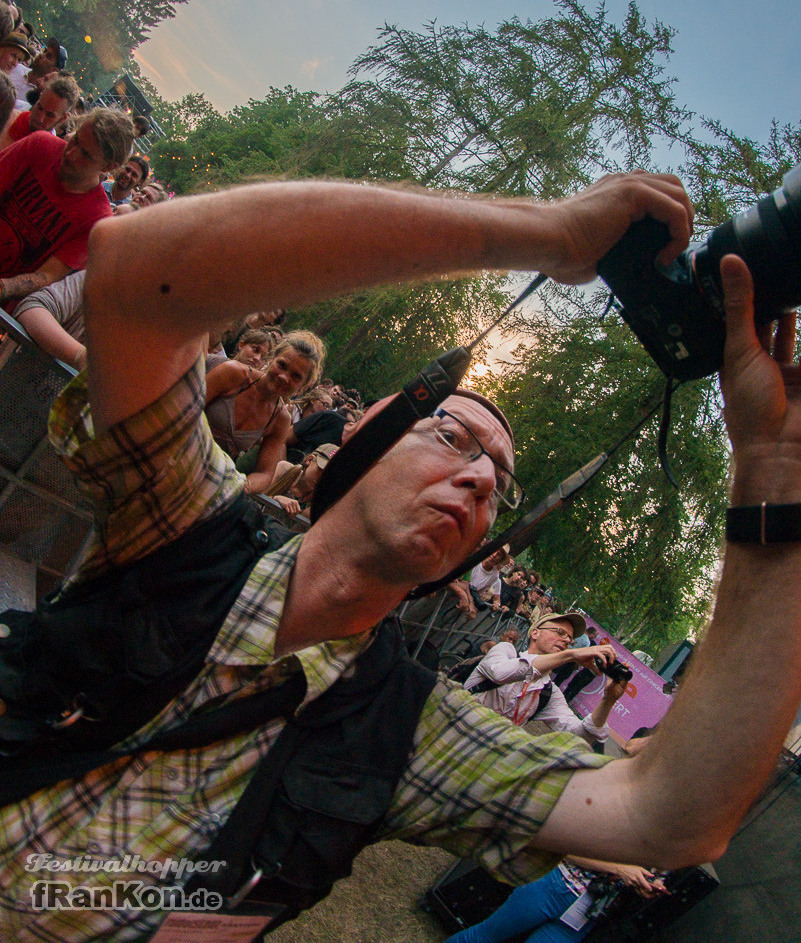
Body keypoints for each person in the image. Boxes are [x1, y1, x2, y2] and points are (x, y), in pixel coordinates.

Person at [2, 171, 801, 943]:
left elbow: (674, 814)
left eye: (500, 481)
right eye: (453, 436)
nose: (483, 476)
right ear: (363, 438)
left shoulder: (411, 735)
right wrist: (549, 234)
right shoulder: (185, 527)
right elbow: (141, 269)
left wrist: (771, 475)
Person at [0, 107, 133, 307]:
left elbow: (47, 275)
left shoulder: (97, 220)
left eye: (86, 155)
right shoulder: (40, 144)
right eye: (76, 139)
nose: (70, 154)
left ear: (108, 167)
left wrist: (3, 288)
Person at [465, 612, 626, 745]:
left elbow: (580, 735)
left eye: (570, 640)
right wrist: (571, 655)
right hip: (454, 731)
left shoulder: (548, 693)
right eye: (560, 633)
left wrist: (608, 700)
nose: (566, 640)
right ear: (535, 632)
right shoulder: (505, 650)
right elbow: (500, 674)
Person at [441, 856, 667, 943]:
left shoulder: (674, 847)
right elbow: (566, 850)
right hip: (555, 885)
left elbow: (651, 879)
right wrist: (619, 867)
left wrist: (647, 887)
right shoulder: (623, 807)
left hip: (587, 913)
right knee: (484, 937)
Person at [204, 329, 325, 492]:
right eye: (282, 365)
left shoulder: (280, 419)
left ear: (303, 386)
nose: (283, 377)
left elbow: (265, 473)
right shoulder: (234, 374)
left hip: (211, 479)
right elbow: (186, 409)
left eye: (296, 376)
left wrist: (239, 487)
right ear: (272, 359)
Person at [0, 75, 81, 150]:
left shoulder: (49, 152)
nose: (40, 118)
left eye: (49, 115)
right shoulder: (9, 117)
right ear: (40, 97)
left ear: (63, 118)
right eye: (40, 108)